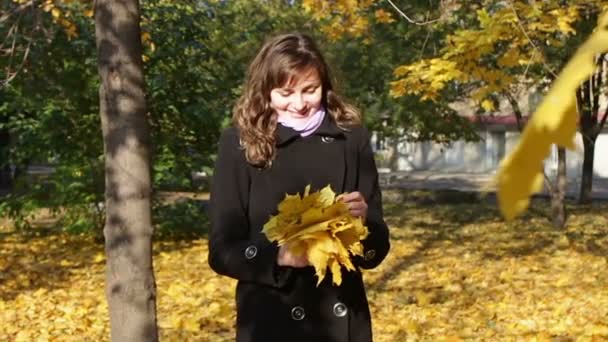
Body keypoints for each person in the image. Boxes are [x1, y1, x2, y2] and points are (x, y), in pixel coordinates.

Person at [208, 32, 390, 342]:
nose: (300, 104)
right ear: (265, 90)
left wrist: (360, 225)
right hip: (270, 318)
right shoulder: (240, 144)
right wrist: (278, 257)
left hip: (340, 316)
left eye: (310, 90)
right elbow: (222, 250)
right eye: (285, 92)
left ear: (324, 85)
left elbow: (376, 248)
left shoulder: (351, 138)